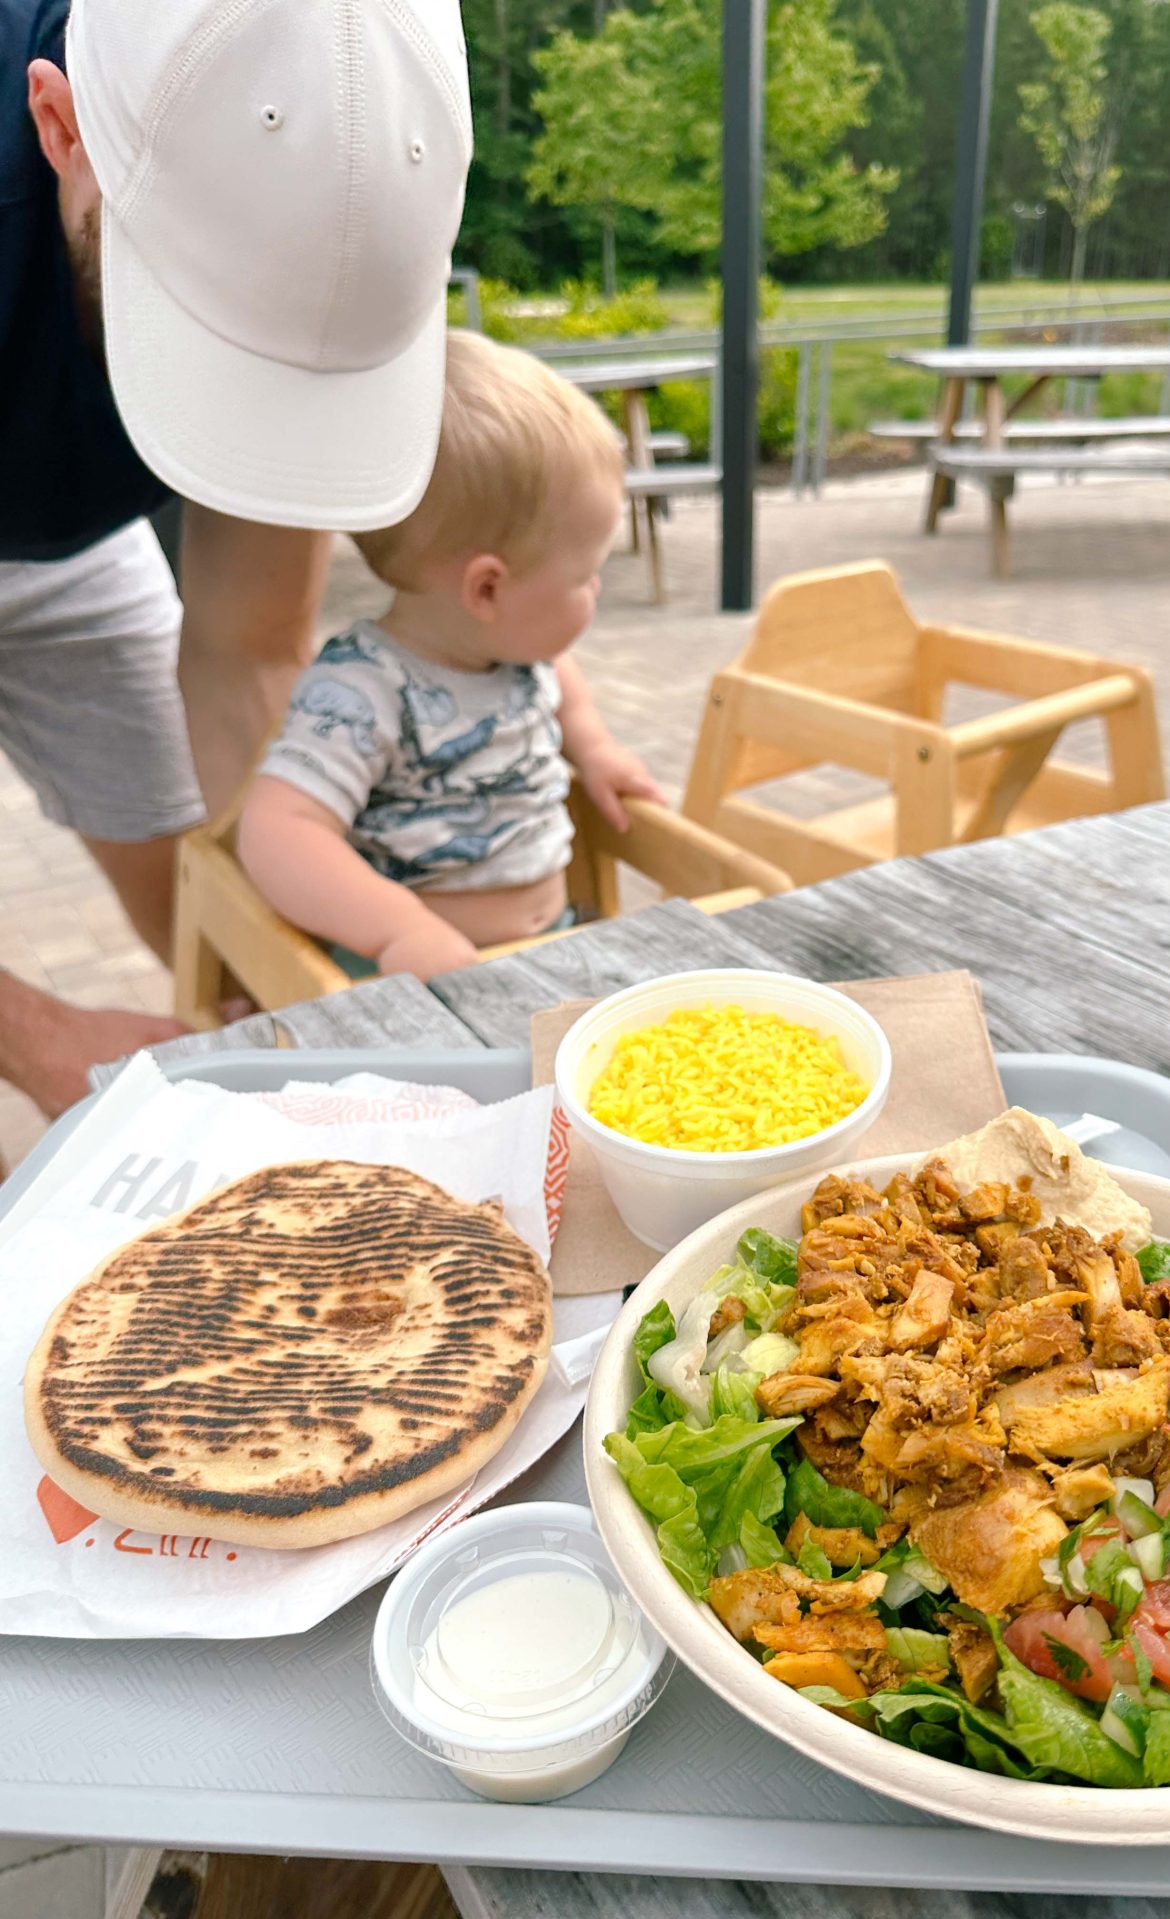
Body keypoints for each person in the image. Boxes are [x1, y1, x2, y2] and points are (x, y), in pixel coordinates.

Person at [0, 0, 472, 1116]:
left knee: (205, 896)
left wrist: (314, 974)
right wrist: (43, 1036)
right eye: (212, 335)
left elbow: (248, 645)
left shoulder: (371, 142)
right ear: (62, 128)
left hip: (74, 548)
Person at [238, 332, 663, 981]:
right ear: (487, 588)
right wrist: (399, 931)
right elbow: (276, 830)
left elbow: (559, 680)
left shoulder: (520, 652)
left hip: (551, 946)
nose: (596, 591)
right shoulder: (365, 690)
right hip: (417, 977)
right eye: (586, 576)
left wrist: (595, 747)